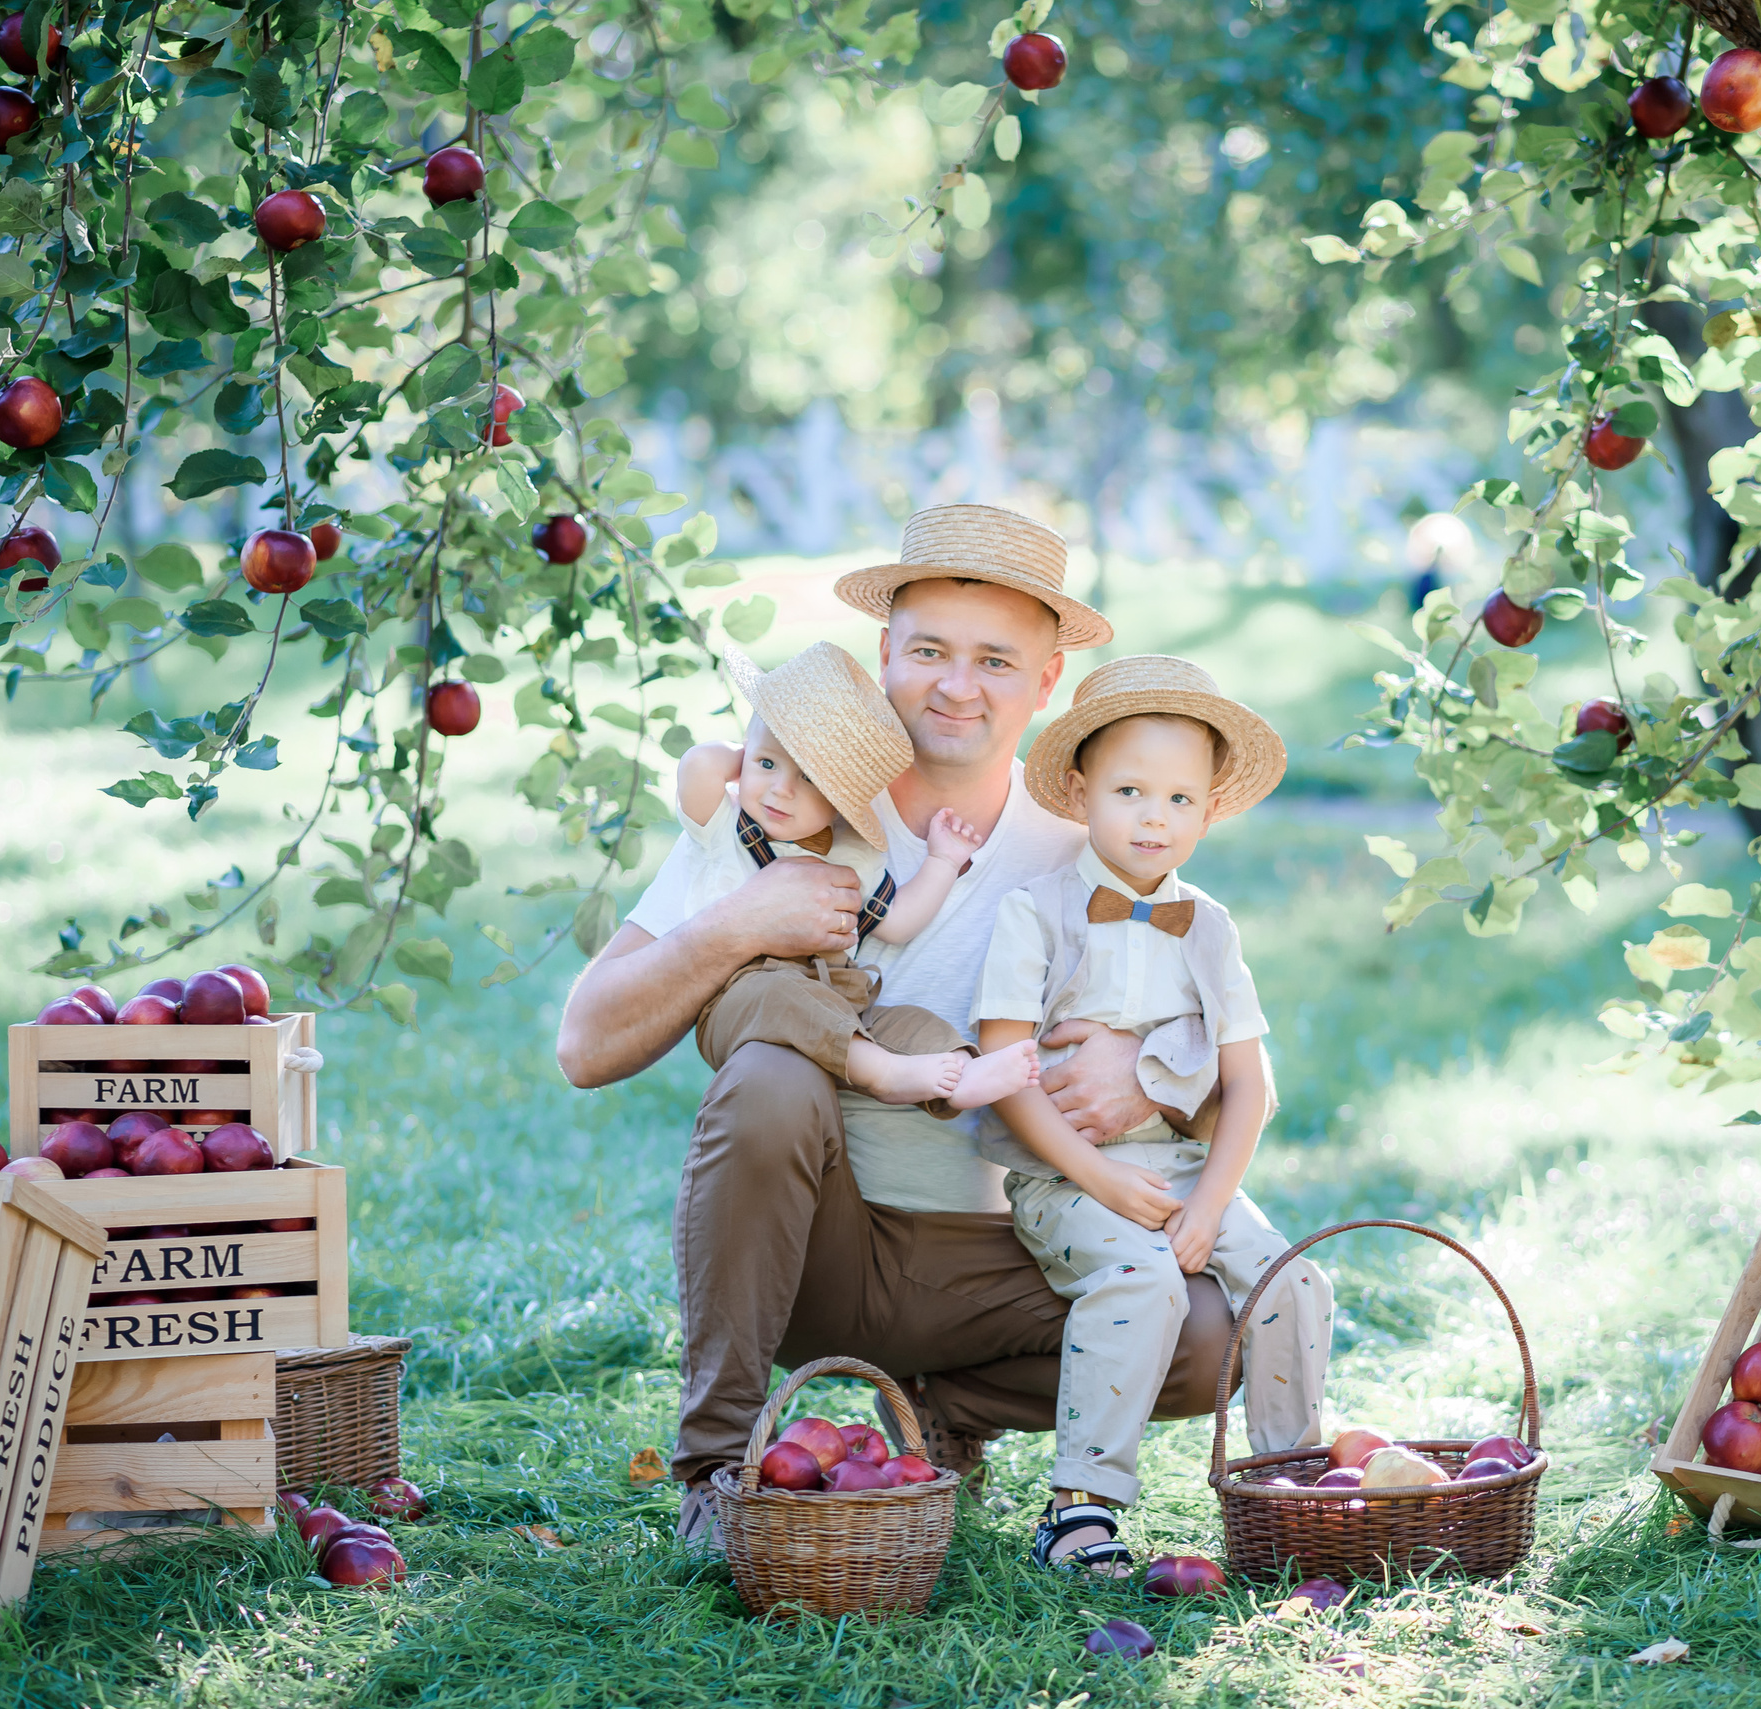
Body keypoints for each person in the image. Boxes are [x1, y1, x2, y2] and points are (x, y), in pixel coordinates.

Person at [556, 504, 1254, 1551]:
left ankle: (944, 1415)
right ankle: (715, 1466)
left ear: (1046, 682)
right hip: (809, 1246)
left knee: (1210, 1332)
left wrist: (1147, 1073)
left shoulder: (1093, 842)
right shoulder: (783, 798)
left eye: (994, 660)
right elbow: (585, 1043)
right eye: (927, 650)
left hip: (999, 1250)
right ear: (885, 653)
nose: (955, 685)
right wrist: (738, 919)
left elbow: (1227, 1045)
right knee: (769, 1076)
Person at [975, 655, 1333, 1573]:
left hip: (1184, 1170)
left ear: (1210, 810)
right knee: (1142, 1280)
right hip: (1065, 1172)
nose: (1154, 817)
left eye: (1180, 799)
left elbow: (1251, 1086)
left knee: (1296, 1280)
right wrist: (1098, 1175)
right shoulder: (1036, 913)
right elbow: (1008, 1068)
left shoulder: (1210, 925)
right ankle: (1080, 1507)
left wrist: (1211, 1205)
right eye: (1130, 790)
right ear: (1078, 786)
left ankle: (1281, 1486)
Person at [675, 641, 1040, 1115]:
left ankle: (958, 1073)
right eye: (767, 764)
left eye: (809, 778)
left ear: (840, 802)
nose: (779, 790)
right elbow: (698, 765)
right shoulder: (725, 827)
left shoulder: (852, 855)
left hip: (843, 1000)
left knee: (910, 1024)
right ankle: (883, 1075)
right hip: (742, 998)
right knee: (781, 993)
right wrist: (761, 746)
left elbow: (899, 921)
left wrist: (944, 861)